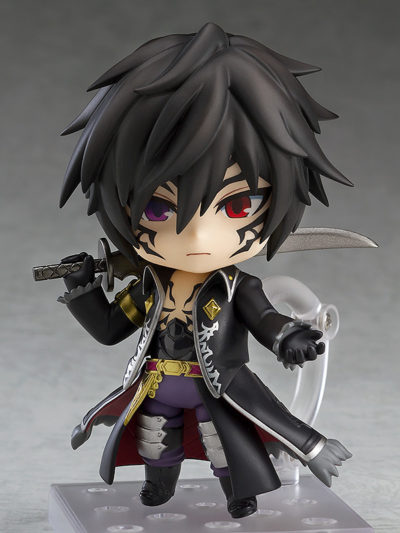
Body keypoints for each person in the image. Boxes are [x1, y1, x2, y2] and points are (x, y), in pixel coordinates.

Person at [58, 22, 352, 519]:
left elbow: (265, 320)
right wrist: (83, 289)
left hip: (218, 388)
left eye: (236, 207)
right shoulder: (150, 285)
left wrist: (292, 337)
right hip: (155, 384)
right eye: (158, 209)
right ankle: (159, 488)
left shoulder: (236, 286)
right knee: (155, 442)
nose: (196, 237)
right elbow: (109, 329)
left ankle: (239, 492)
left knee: (225, 446)